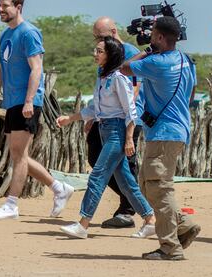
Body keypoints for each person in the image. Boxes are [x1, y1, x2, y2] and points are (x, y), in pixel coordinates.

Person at [0, 0, 74, 220]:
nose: (0, 10)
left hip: (27, 101)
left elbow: (37, 68)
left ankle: (12, 205)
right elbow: (0, 69)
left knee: (19, 153)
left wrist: (29, 101)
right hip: (12, 100)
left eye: (5, 6)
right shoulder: (5, 35)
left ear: (18, 7)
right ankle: (58, 188)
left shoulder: (29, 33)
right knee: (18, 153)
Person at [56, 36, 156, 239]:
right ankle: (151, 220)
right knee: (126, 182)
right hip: (105, 130)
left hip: (117, 132)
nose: (95, 54)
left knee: (97, 175)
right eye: (96, 50)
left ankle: (83, 224)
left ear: (110, 55)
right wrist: (71, 118)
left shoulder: (119, 78)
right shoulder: (103, 77)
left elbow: (130, 110)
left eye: (99, 51)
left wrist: (129, 138)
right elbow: (95, 108)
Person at [120, 16, 201, 261]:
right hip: (177, 130)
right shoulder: (186, 60)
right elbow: (192, 91)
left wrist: (146, 52)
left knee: (159, 188)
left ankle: (170, 247)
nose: (150, 37)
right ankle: (183, 224)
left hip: (164, 133)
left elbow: (125, 68)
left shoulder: (157, 62)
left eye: (153, 34)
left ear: (160, 38)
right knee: (147, 183)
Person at [86, 17, 146, 230]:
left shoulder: (128, 53)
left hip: (125, 118)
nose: (97, 43)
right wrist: (94, 115)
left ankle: (128, 209)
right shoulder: (105, 55)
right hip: (106, 118)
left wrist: (128, 126)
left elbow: (133, 88)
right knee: (95, 156)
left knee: (125, 163)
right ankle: (135, 201)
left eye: (101, 37)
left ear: (113, 32)